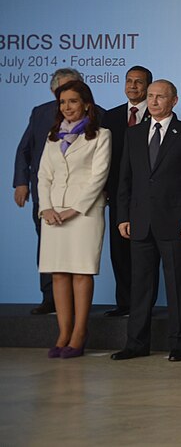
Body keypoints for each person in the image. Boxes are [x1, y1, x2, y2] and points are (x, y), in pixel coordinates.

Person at [111, 79, 181, 362]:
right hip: (140, 222)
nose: (153, 101)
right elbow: (125, 180)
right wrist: (123, 216)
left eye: (160, 97)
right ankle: (136, 343)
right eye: (151, 96)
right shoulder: (134, 134)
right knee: (140, 287)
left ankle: (180, 343)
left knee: (179, 286)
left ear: (174, 101)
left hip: (177, 222)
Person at [38, 80, 111, 358]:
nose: (67, 107)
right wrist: (46, 208)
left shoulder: (101, 135)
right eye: (63, 102)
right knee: (58, 273)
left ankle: (79, 334)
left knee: (81, 272)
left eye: (73, 101)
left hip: (84, 213)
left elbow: (98, 177)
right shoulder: (52, 135)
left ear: (86, 104)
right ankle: (63, 333)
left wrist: (74, 209)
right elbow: (43, 176)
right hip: (53, 213)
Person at [14, 68, 87, 315]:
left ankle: (76, 300)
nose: (68, 98)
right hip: (46, 195)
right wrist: (21, 182)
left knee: (79, 250)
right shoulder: (41, 113)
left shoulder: (98, 116)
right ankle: (50, 298)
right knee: (47, 247)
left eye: (74, 89)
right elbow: (25, 150)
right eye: (62, 92)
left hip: (81, 198)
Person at [101, 65, 152, 317]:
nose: (133, 86)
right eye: (129, 81)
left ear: (148, 87)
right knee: (119, 250)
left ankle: (145, 305)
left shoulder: (157, 115)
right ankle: (124, 302)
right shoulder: (109, 118)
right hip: (117, 195)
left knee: (146, 253)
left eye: (139, 82)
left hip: (149, 197)